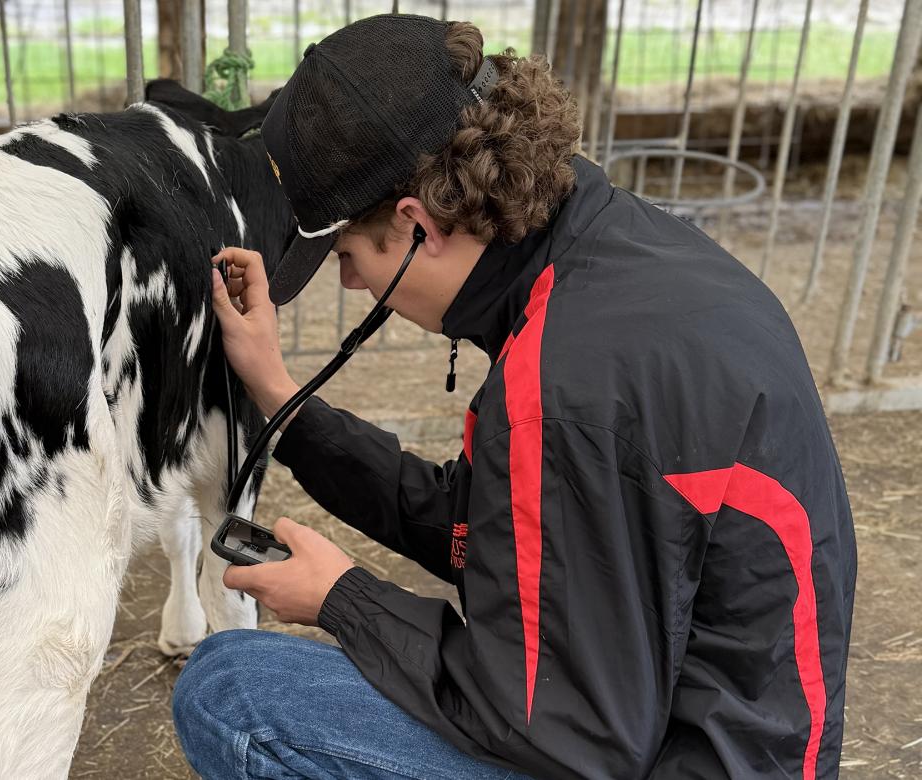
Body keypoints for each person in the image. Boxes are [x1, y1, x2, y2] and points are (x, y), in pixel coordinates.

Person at [173, 14, 855, 780]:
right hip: (704, 724)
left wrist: (342, 599)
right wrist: (276, 391)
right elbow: (480, 526)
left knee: (233, 693)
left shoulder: (569, 382)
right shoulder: (607, 254)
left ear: (416, 225)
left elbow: (566, 734)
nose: (353, 282)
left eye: (348, 254)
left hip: (672, 754)